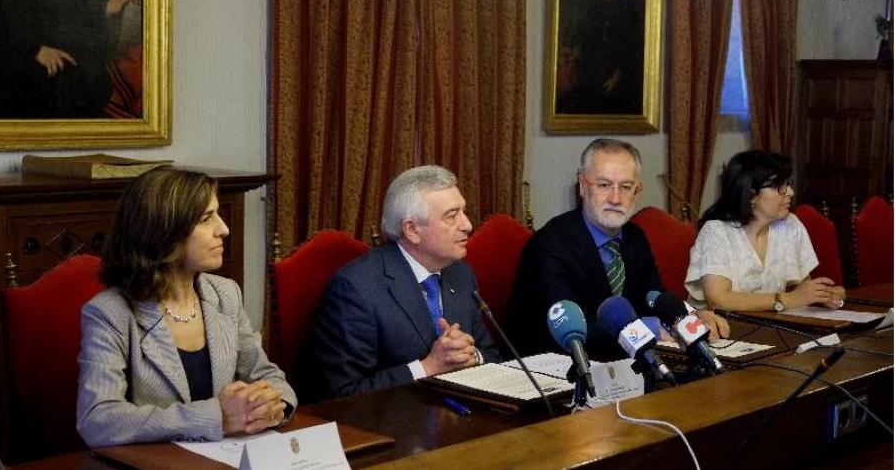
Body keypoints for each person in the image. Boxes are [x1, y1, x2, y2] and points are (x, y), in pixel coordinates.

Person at [77, 167, 296, 447]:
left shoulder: (226, 294)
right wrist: (217, 417)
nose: (224, 229)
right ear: (164, 232)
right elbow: (98, 419)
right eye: (206, 218)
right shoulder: (110, 314)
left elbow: (268, 376)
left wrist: (272, 406)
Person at [507, 139, 728, 359]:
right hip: (557, 370)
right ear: (583, 186)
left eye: (625, 187)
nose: (615, 199)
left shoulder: (634, 236)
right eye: (604, 185)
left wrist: (689, 317)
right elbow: (573, 328)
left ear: (637, 191)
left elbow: (654, 296)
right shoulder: (549, 245)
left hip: (626, 365)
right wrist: (654, 329)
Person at [311, 165, 501, 398]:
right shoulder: (356, 289)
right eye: (452, 216)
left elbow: (492, 355)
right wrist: (427, 368)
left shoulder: (461, 274)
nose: (468, 225)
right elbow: (343, 393)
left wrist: (470, 356)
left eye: (464, 211)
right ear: (412, 230)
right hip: (395, 425)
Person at [685, 150, 847, 312]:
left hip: (772, 325)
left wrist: (823, 295)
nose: (790, 192)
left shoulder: (790, 225)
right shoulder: (716, 231)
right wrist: (787, 299)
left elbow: (801, 289)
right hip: (724, 330)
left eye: (788, 184)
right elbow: (719, 300)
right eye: (780, 187)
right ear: (751, 195)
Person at [0, 0, 138, 118]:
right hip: (20, 61)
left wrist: (106, 8)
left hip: (63, 54)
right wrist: (34, 49)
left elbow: (64, 12)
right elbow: (7, 18)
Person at [556, 0, 642, 115]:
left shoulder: (627, 6)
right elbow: (584, 37)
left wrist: (616, 78)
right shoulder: (592, 3)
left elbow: (630, 46)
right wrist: (574, 53)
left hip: (617, 76)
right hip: (590, 72)